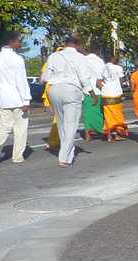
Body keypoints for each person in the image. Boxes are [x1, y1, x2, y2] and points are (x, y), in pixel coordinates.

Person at [42, 37, 94, 168]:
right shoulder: (81, 57)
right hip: (71, 89)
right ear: (77, 45)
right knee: (71, 125)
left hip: (53, 90)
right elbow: (84, 78)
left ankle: (68, 155)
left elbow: (45, 77)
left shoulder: (54, 55)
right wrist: (92, 93)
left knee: (61, 123)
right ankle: (63, 157)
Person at [0, 32, 31, 165]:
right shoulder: (17, 59)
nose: (20, 43)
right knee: (20, 129)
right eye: (18, 41)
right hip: (17, 98)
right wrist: (26, 100)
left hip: (2, 98)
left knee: (4, 127)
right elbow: (21, 81)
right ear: (11, 42)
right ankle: (17, 156)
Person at [100, 53, 128, 143]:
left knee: (108, 116)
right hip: (116, 94)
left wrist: (105, 86)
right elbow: (122, 81)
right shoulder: (118, 68)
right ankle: (118, 134)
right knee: (117, 115)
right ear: (112, 59)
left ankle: (109, 136)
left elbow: (98, 82)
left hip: (105, 94)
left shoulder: (101, 68)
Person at [82, 50, 106, 142]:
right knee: (100, 112)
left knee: (87, 113)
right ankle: (101, 130)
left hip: (86, 89)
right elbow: (102, 77)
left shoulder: (83, 60)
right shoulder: (100, 61)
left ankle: (87, 135)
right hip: (98, 90)